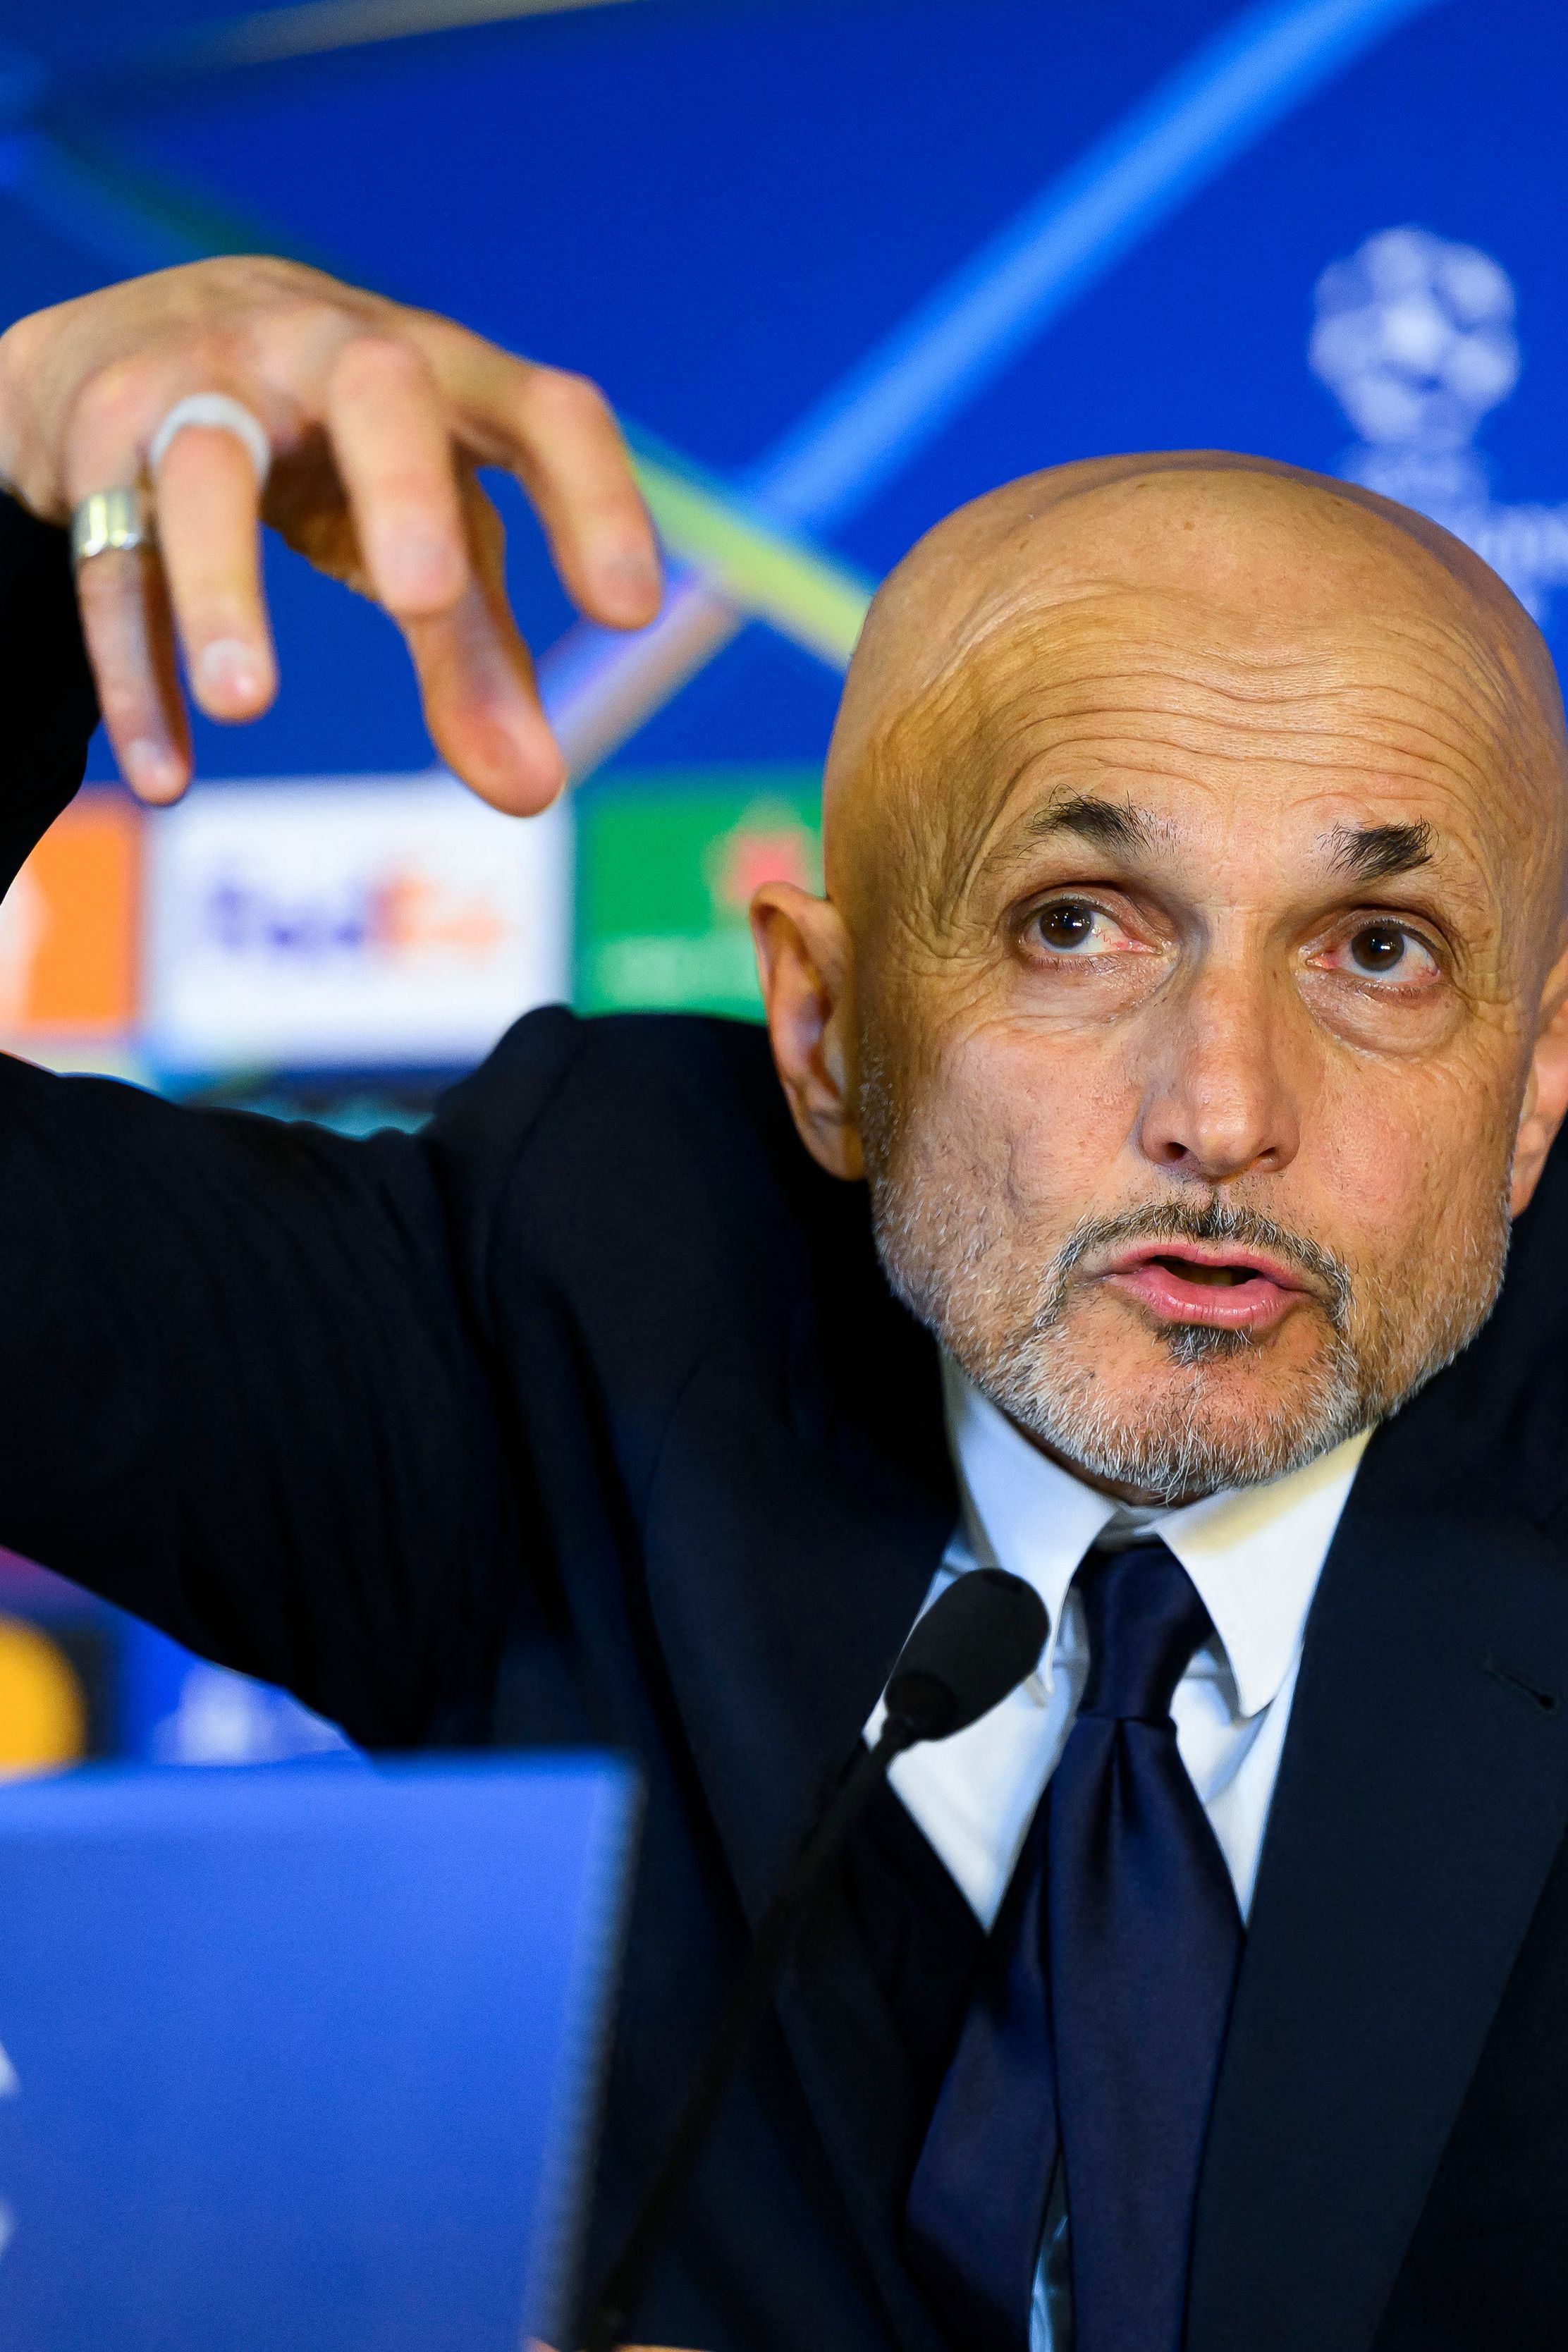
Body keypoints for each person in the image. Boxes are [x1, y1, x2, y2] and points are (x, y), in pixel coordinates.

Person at [4, 257, 1568, 2352]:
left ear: (1537, 1086)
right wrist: (10, 486)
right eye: (1077, 924)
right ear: (826, 1036)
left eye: (1377, 950)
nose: (1225, 1109)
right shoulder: (578, 1283)